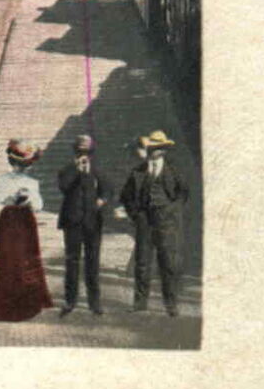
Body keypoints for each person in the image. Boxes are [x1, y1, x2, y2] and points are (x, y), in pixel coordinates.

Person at [119, 130, 190, 316]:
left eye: (159, 148)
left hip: (166, 223)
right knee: (142, 263)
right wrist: (136, 215)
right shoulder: (138, 171)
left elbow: (183, 193)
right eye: (152, 148)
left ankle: (170, 305)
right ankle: (140, 304)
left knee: (167, 263)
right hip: (144, 223)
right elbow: (125, 196)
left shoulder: (174, 169)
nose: (155, 152)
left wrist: (172, 211)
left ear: (164, 150)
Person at [0, 140, 54, 322]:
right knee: (10, 259)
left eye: (23, 165)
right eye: (20, 164)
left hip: (23, 220)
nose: (21, 168)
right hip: (12, 219)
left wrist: (28, 200)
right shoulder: (2, 180)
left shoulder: (31, 182)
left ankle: (25, 302)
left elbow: (39, 205)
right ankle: (11, 304)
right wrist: (9, 198)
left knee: (25, 259)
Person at [55, 133, 110, 316]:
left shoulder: (98, 170)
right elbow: (64, 187)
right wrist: (77, 170)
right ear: (75, 153)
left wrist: (102, 200)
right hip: (72, 222)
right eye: (79, 153)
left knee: (93, 262)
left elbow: (108, 189)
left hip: (93, 222)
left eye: (86, 153)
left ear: (91, 153)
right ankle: (70, 301)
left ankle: (94, 302)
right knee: (72, 262)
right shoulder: (67, 170)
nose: (83, 156)